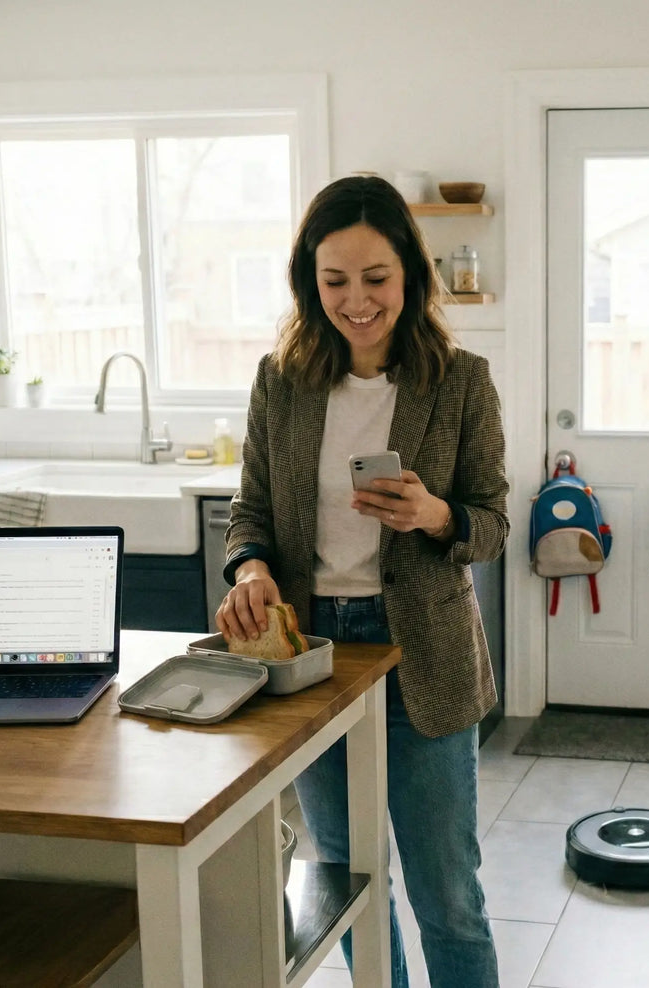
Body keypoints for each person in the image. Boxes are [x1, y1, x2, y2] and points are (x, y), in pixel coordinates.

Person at [216, 175, 507, 987]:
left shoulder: (460, 381)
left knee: (447, 891)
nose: (356, 301)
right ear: (309, 279)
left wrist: (435, 516)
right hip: (313, 658)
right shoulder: (282, 381)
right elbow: (250, 513)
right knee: (348, 878)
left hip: (425, 655)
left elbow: (492, 524)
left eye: (375, 278)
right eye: (334, 280)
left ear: (409, 275)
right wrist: (251, 567)